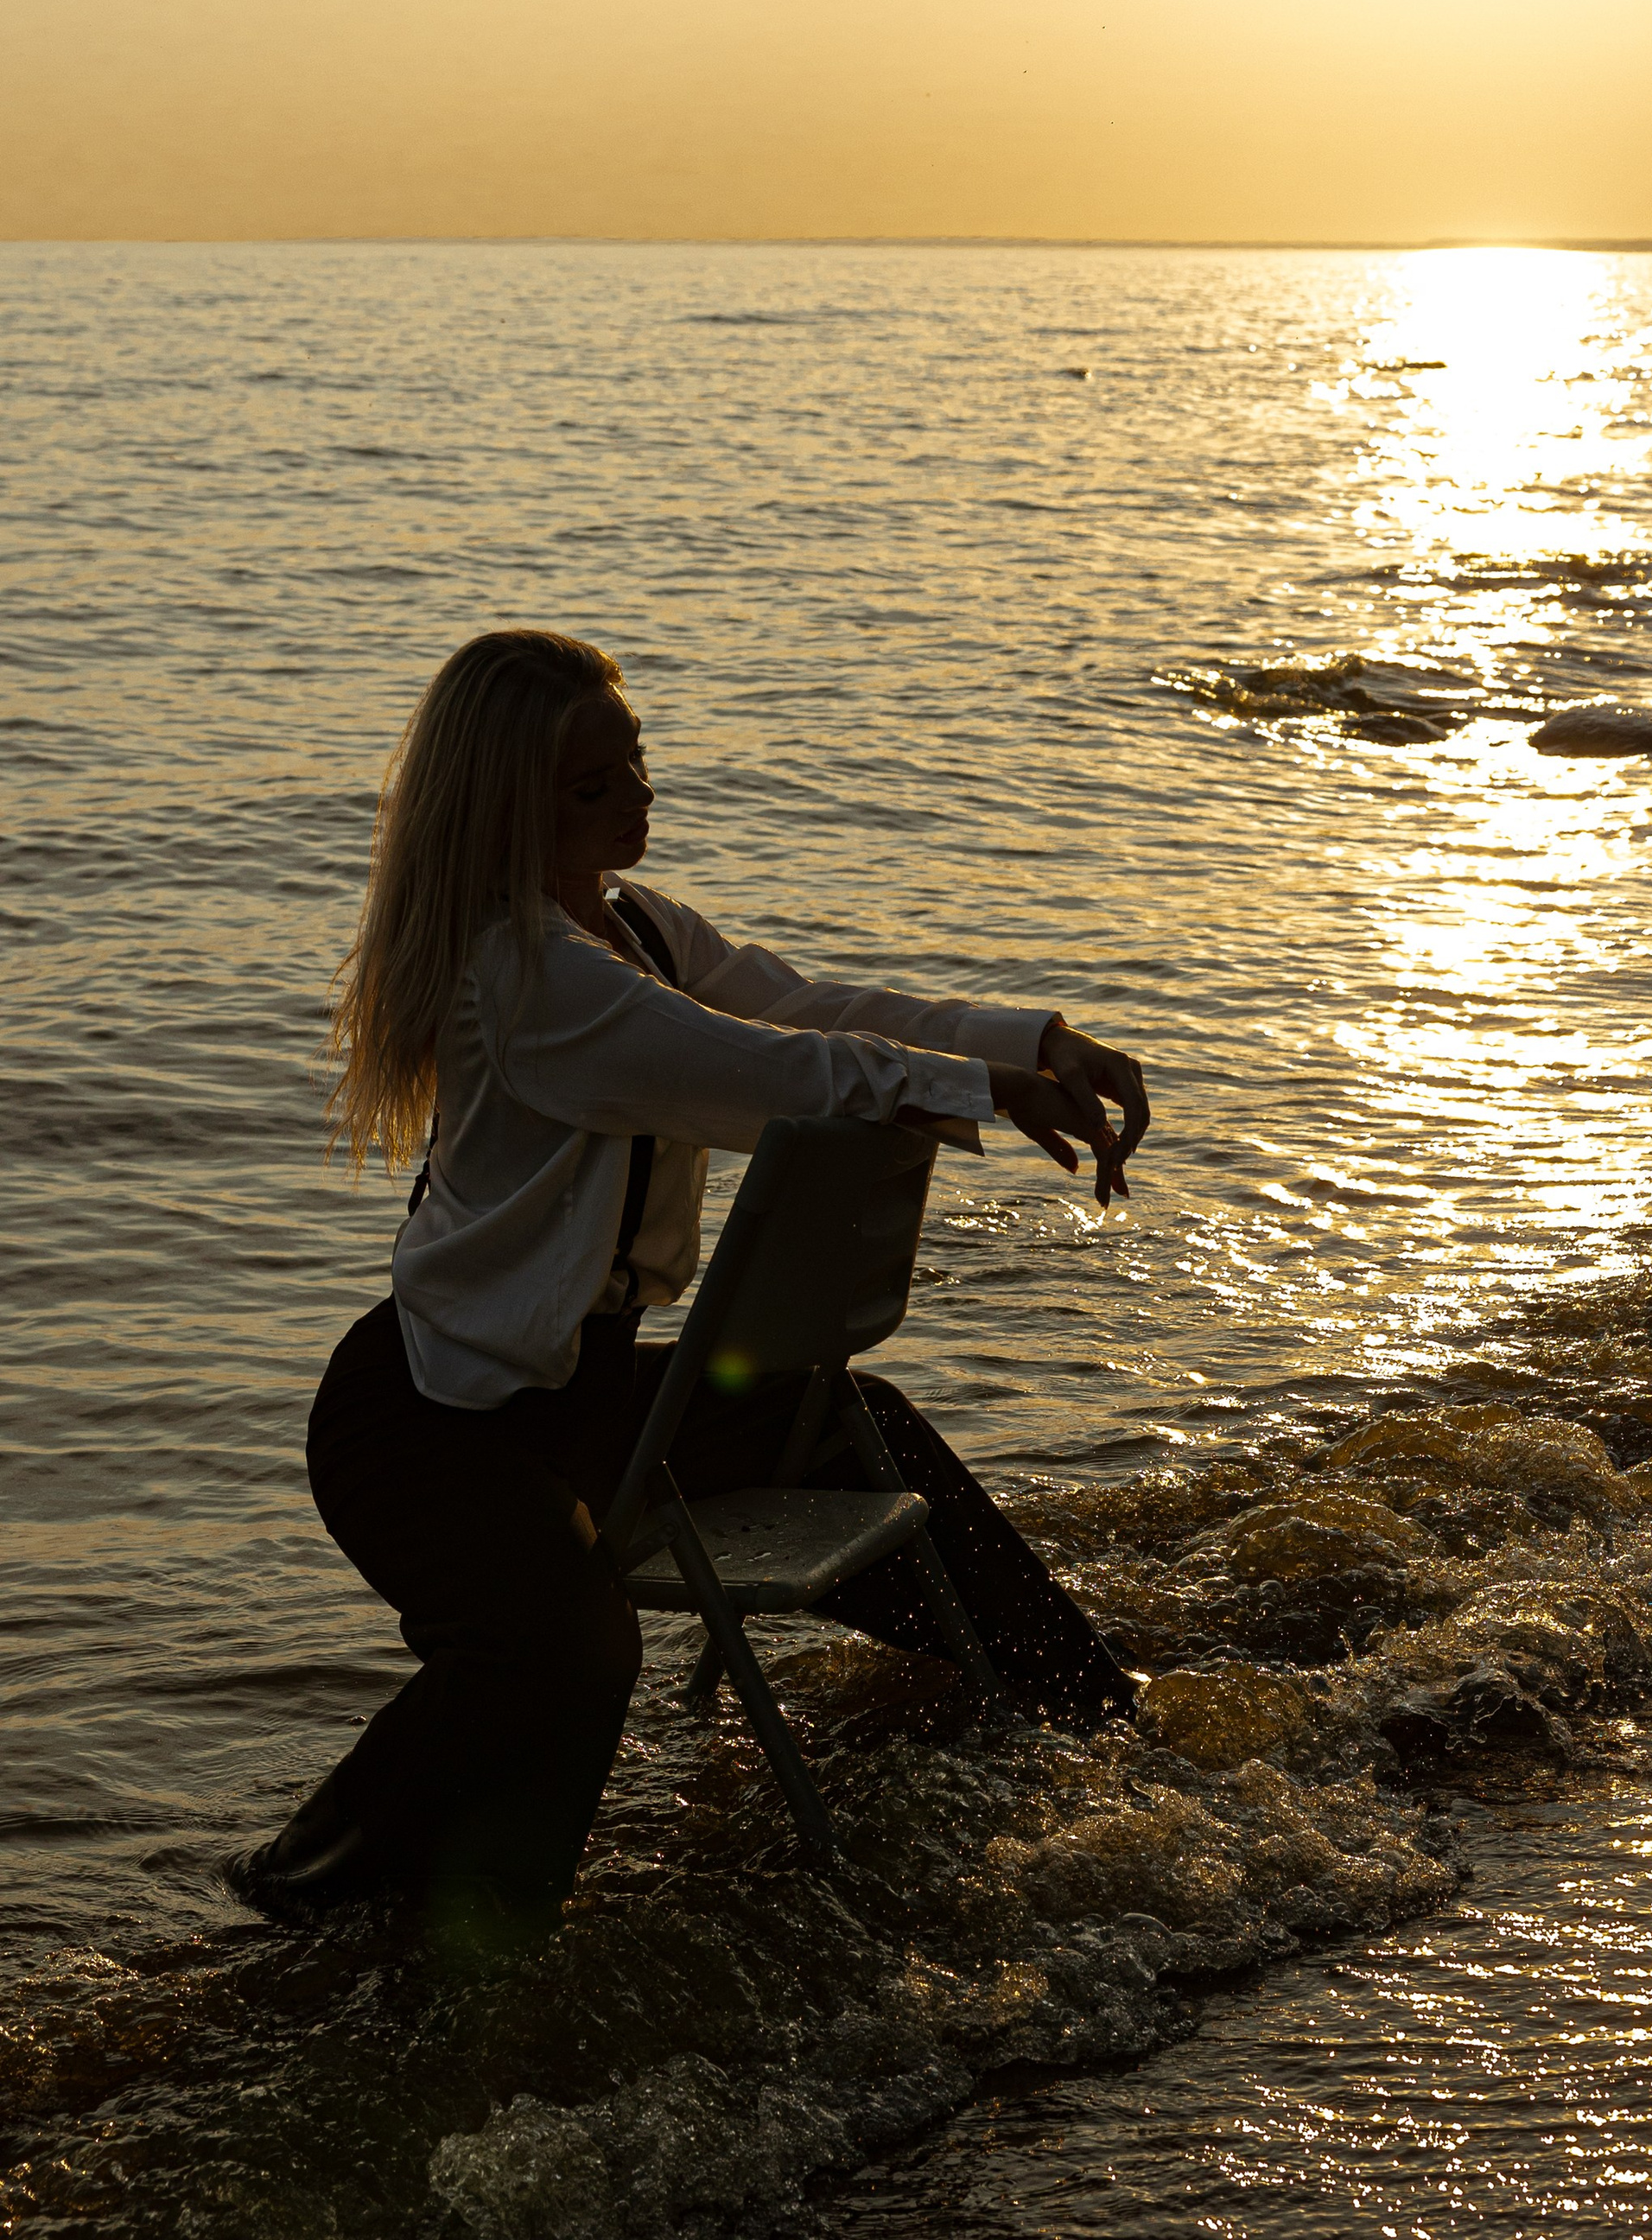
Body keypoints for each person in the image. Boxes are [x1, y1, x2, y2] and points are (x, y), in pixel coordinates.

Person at [228, 628, 1149, 1938]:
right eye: (592, 788)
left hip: (590, 1400)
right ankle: (327, 1895)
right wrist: (981, 1090)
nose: (638, 796)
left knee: (860, 1432)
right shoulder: (527, 974)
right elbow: (762, 1075)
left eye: (636, 764)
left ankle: (1099, 1721)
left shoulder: (639, 928)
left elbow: (813, 1010)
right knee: (568, 1654)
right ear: (509, 807)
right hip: (430, 1425)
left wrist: (1033, 1038)